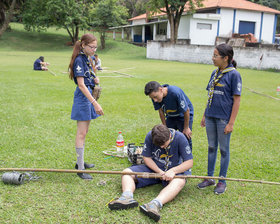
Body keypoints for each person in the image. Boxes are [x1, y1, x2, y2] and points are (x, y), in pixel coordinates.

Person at [108, 124, 193, 222]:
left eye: (164, 144)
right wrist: (159, 172)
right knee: (126, 173)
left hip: (174, 172)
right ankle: (126, 197)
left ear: (169, 135)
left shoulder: (180, 138)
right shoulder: (150, 136)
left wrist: (173, 171)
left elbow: (189, 162)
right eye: (159, 145)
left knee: (180, 182)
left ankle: (154, 204)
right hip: (154, 169)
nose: (161, 147)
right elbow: (146, 158)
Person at [197, 43, 242, 194]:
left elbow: (237, 100)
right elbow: (210, 95)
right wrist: (204, 114)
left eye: (216, 55)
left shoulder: (234, 74)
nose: (213, 58)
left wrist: (231, 123)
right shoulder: (214, 73)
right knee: (211, 148)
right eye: (213, 55)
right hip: (210, 116)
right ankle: (209, 178)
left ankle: (222, 181)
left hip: (223, 120)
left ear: (226, 58)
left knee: (223, 150)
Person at [68, 33, 104, 180]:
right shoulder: (78, 60)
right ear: (83, 45)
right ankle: (80, 169)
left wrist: (94, 79)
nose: (94, 49)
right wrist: (95, 103)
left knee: (85, 131)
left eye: (96, 47)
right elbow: (81, 85)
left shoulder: (87, 59)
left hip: (88, 94)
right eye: (92, 47)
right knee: (81, 133)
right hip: (83, 98)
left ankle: (80, 162)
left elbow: (87, 80)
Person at [144, 81, 194, 151]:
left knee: (185, 137)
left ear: (160, 89)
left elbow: (186, 110)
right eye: (152, 98)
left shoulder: (175, 93)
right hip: (171, 116)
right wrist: (165, 127)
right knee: (165, 136)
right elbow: (160, 111)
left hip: (183, 115)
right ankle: (170, 157)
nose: (154, 100)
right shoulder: (155, 98)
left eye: (155, 97)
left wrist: (186, 128)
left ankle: (187, 158)